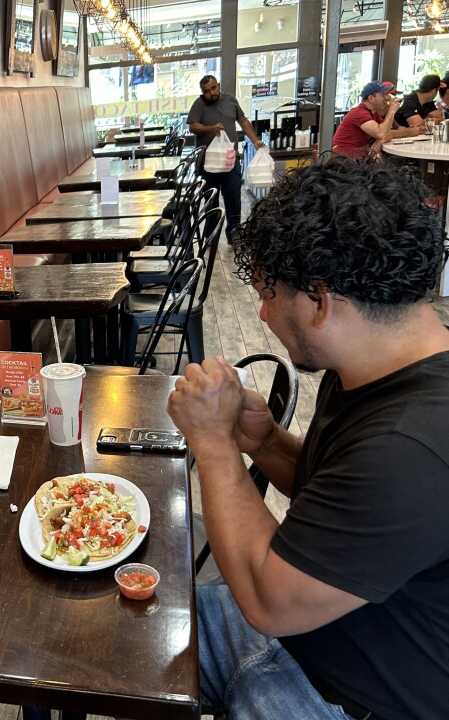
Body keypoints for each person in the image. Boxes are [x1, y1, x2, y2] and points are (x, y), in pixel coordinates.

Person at [166, 156, 449, 719]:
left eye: (271, 293)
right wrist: (264, 440)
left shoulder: (410, 446)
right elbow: (336, 499)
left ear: (319, 300)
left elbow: (268, 601)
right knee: (123, 634)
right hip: (315, 632)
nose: (265, 313)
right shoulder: (375, 364)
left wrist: (214, 443)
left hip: (348, 696)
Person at [186, 74, 265, 242]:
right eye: (206, 91)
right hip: (209, 163)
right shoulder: (199, 104)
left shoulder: (230, 100)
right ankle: (210, 235)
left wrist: (255, 140)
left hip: (230, 159)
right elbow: (193, 126)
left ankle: (234, 232)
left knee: (233, 196)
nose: (211, 93)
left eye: (213, 88)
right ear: (202, 92)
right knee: (211, 199)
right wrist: (210, 129)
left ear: (219, 86)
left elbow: (243, 121)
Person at [331, 80, 420, 159]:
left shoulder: (373, 113)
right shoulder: (359, 113)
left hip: (359, 157)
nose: (386, 98)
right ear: (371, 98)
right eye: (382, 94)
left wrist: (380, 141)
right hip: (344, 160)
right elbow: (381, 134)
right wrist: (392, 111)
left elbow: (387, 133)